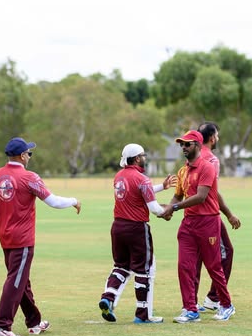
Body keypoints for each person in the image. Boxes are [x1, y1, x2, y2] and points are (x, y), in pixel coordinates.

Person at [0, 137, 81, 336]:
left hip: (5, 238)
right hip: (23, 240)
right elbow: (53, 202)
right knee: (15, 282)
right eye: (29, 153)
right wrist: (74, 201)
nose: (30, 157)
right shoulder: (29, 177)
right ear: (22, 155)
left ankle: (34, 322)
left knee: (20, 280)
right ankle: (1, 327)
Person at [98, 143, 176, 324]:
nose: (145, 158)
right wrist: (168, 210)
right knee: (145, 270)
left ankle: (108, 298)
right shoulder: (142, 179)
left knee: (121, 266)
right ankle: (143, 314)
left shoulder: (119, 176)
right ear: (137, 158)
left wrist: (162, 187)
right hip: (137, 229)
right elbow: (154, 208)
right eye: (143, 155)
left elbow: (137, 190)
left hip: (117, 227)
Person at [162, 130, 235, 323]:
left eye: (187, 144)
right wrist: (169, 208)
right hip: (188, 224)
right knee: (184, 266)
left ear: (197, 145)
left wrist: (174, 207)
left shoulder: (206, 168)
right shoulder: (182, 171)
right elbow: (177, 195)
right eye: (181, 145)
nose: (183, 148)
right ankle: (190, 309)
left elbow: (201, 197)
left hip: (208, 221)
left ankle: (227, 305)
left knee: (213, 265)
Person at [195, 121, 241, 311]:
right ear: (213, 138)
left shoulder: (192, 157)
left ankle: (190, 302)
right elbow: (212, 192)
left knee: (194, 258)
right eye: (217, 135)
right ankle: (214, 298)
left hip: (191, 215)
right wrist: (229, 214)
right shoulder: (211, 160)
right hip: (209, 215)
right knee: (226, 252)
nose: (218, 139)